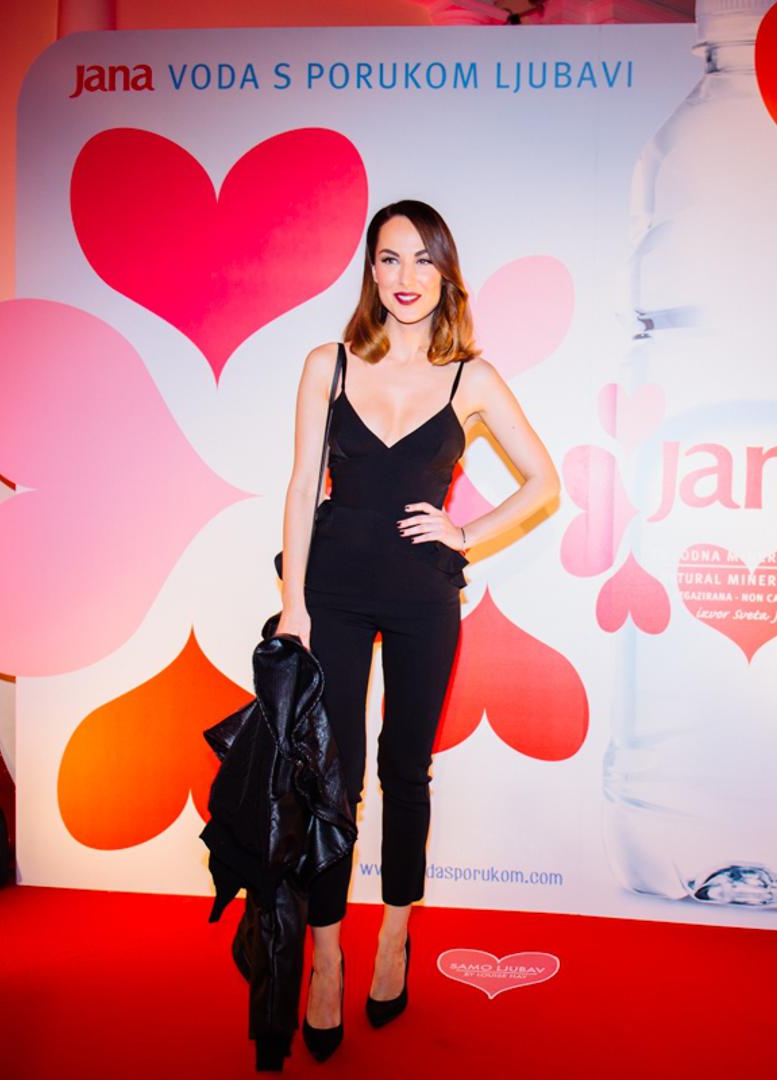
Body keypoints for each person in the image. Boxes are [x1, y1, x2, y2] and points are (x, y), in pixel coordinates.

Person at [274, 199, 559, 1060]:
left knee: (405, 770)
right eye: (389, 259)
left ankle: (395, 934)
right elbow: (301, 486)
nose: (405, 278)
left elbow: (543, 483)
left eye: (421, 260)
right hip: (330, 591)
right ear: (371, 271)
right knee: (332, 778)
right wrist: (294, 602)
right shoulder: (327, 364)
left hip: (421, 597)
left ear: (445, 275)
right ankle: (327, 954)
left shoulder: (471, 378)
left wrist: (465, 532)